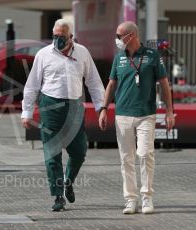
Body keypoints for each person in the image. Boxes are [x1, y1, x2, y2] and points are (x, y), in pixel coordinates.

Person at [21, 19, 105, 211]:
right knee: (52, 154)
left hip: (75, 107)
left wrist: (101, 107)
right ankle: (58, 196)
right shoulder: (43, 55)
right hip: (50, 107)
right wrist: (26, 112)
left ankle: (68, 181)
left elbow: (94, 82)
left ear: (71, 37)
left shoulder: (83, 52)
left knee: (79, 151)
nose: (57, 40)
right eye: (55, 36)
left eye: (61, 37)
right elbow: (32, 84)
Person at [99, 21, 175, 215]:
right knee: (126, 159)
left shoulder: (152, 56)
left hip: (146, 115)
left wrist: (168, 111)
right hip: (122, 115)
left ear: (130, 36)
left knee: (145, 154)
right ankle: (130, 199)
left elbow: (164, 85)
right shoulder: (119, 58)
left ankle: (147, 197)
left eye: (119, 36)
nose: (116, 40)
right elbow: (111, 85)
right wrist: (104, 108)